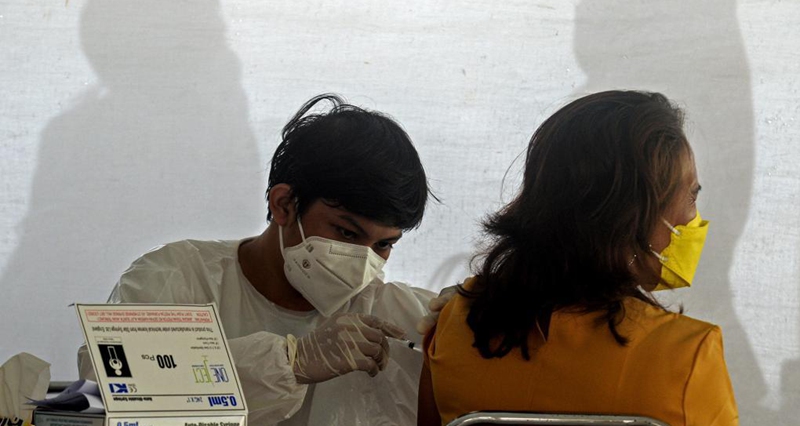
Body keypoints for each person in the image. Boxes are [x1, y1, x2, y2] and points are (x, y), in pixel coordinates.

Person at [79, 93, 437, 425]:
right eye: (346, 233)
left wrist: (475, 315)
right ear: (283, 204)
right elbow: (112, 389)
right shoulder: (177, 277)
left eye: (384, 245)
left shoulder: (391, 312)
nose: (363, 262)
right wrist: (290, 362)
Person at [417, 91, 738, 426]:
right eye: (690, 197)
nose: (694, 219)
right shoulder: (688, 356)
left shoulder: (455, 328)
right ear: (632, 217)